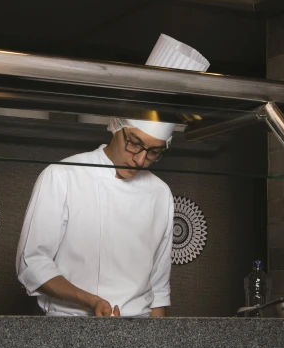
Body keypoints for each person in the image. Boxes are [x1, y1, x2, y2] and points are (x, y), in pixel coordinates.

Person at [15, 34, 210, 317]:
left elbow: (158, 286)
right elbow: (32, 264)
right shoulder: (62, 176)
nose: (141, 160)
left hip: (139, 332)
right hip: (71, 328)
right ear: (116, 126)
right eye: (135, 144)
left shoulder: (160, 193)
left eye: (154, 152)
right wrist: (90, 301)